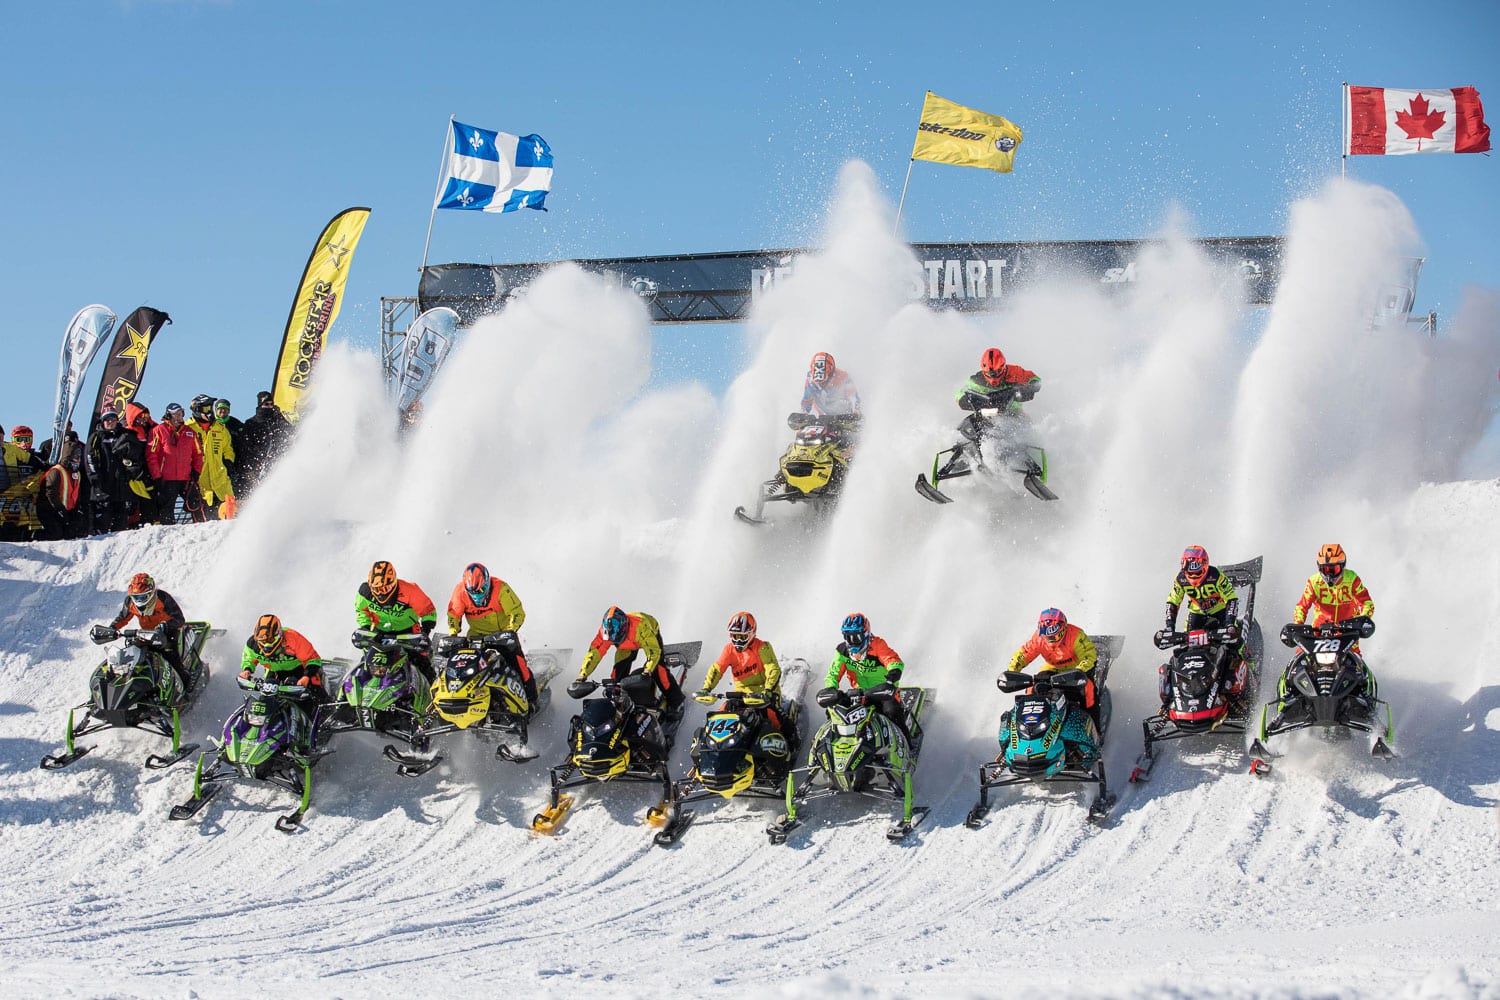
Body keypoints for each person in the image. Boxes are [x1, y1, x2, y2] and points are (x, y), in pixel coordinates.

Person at [1280, 542, 1378, 713]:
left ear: (1343, 566)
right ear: (1320, 568)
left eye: (1334, 569)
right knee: (1299, 659)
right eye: (1326, 570)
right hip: (1320, 631)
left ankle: (1364, 697)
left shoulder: (1352, 578)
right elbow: (1302, 606)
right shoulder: (1314, 582)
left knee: (1356, 661)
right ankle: (1289, 696)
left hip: (1347, 631)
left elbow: (1367, 603)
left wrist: (1361, 621)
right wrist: (1299, 625)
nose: (1330, 574)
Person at [1155, 545, 1251, 715]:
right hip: (1196, 614)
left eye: (1196, 568)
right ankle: (1171, 700)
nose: (1192, 573)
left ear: (1205, 565)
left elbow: (1232, 599)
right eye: (1188, 568)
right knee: (1182, 652)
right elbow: (1173, 602)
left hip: (1220, 613)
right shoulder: (1180, 579)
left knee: (1235, 646)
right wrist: (1169, 628)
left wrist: (1229, 624)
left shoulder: (1215, 575)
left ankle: (1240, 692)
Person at [445, 561, 536, 708]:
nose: (476, 596)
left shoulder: (501, 588)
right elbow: (453, 615)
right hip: (475, 636)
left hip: (502, 636)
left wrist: (510, 631)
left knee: (519, 665)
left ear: (487, 583)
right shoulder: (460, 591)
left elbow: (517, 612)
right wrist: (453, 633)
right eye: (472, 593)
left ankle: (532, 700)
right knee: (462, 666)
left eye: (480, 591)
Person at [575, 606, 685, 721]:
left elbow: (653, 652)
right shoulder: (605, 632)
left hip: (648, 634)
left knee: (659, 670)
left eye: (615, 638)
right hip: (625, 645)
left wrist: (647, 671)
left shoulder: (640, 626)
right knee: (617, 675)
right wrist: (582, 676)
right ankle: (618, 704)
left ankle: (677, 702)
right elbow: (594, 654)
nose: (612, 641)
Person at [823, 612, 915, 747]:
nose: (852, 641)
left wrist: (891, 679)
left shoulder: (878, 645)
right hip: (859, 695)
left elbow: (894, 661)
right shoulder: (842, 651)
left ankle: (907, 747)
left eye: (856, 636)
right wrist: (831, 688)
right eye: (848, 636)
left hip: (883, 692)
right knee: (835, 714)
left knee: (892, 713)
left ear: (866, 634)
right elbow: (833, 673)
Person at [1005, 607, 1102, 734]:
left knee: (1088, 690)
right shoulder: (1039, 638)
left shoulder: (1076, 635)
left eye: (1053, 634)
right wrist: (1012, 671)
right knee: (1032, 688)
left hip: (1076, 670)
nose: (1049, 638)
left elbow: (1089, 655)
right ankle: (1029, 729)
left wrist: (1078, 672)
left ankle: (1095, 730)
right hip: (1053, 669)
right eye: (1046, 635)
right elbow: (1024, 653)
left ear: (1062, 629)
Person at [238, 613, 327, 739]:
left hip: (301, 670)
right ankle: (260, 735)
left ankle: (325, 722)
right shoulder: (252, 644)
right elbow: (248, 659)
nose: (266, 645)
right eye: (262, 641)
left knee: (314, 691)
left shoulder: (293, 638)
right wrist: (247, 670)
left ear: (279, 634)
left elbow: (313, 659)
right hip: (275, 672)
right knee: (265, 701)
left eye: (269, 640)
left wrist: (306, 676)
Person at [696, 611, 786, 734]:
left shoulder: (763, 647)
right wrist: (706, 689)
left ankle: (791, 736)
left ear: (752, 633)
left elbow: (773, 669)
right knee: (722, 713)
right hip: (741, 694)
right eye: (735, 636)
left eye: (742, 637)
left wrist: (768, 690)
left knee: (772, 715)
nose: (738, 641)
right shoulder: (729, 650)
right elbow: (717, 669)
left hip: (765, 693)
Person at [107, 572, 190, 690]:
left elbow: (179, 619)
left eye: (142, 597)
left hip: (168, 632)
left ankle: (186, 687)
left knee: (172, 659)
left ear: (151, 593)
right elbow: (122, 618)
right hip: (145, 634)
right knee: (131, 657)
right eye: (136, 597)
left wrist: (166, 625)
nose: (139, 600)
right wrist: (112, 628)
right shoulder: (130, 603)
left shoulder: (162, 598)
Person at [356, 560, 437, 677]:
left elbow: (428, 611)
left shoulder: (410, 590)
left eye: (385, 589)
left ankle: (432, 688)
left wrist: (425, 631)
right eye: (376, 589)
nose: (381, 593)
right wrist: (365, 627)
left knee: (421, 662)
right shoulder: (364, 592)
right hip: (380, 631)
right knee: (367, 663)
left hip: (408, 631)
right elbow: (361, 611)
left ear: (394, 582)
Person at [147, 403, 204, 524]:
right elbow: (151, 456)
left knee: (196, 504)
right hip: (167, 480)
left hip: (186, 478)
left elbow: (198, 454)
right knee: (167, 511)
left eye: (181, 413)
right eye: (176, 414)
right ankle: (168, 537)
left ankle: (202, 530)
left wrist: (196, 471)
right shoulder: (158, 431)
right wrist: (157, 476)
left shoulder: (190, 432)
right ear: (169, 416)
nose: (180, 417)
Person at [86, 410, 133, 533]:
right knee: (103, 520)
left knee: (121, 521)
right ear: (102, 422)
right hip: (103, 485)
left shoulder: (124, 435)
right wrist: (95, 477)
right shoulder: (96, 437)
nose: (110, 422)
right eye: (107, 420)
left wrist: (130, 472)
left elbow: (133, 456)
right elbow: (89, 458)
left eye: (113, 419)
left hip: (120, 485)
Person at [956, 347, 1040, 415]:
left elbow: (1035, 379)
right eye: (989, 373)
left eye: (997, 372)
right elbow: (960, 393)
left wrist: (1029, 387)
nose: (993, 376)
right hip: (986, 411)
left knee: (1028, 425)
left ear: (1003, 367)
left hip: (1014, 411)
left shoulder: (1015, 372)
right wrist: (963, 400)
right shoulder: (977, 380)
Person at [240, 391, 293, 495]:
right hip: (258, 465)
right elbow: (245, 447)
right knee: (260, 490)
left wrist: (280, 416)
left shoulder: (276, 420)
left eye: (271, 404)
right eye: (266, 404)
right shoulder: (251, 423)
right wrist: (251, 466)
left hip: (277, 462)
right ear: (260, 405)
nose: (269, 407)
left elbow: (290, 431)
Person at [192, 397, 236, 519]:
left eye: (209, 408)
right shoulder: (189, 428)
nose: (208, 411)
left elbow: (228, 448)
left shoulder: (220, 428)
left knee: (230, 515)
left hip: (220, 477)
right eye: (205, 408)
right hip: (201, 480)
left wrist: (228, 462)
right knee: (204, 521)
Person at [0, 426, 46, 541]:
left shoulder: (9, 448)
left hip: (10, 490)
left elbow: (28, 458)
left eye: (1, 438)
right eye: (19, 440)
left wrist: (45, 466)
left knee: (14, 519)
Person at [119, 403, 159, 526]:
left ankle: (154, 524)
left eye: (146, 415)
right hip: (135, 477)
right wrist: (133, 469)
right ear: (134, 417)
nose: (144, 418)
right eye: (141, 415)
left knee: (153, 502)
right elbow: (120, 455)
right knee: (139, 505)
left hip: (152, 472)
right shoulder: (128, 434)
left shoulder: (153, 429)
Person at [38, 436, 85, 540]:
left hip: (66, 509)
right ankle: (33, 537)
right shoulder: (56, 471)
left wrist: (77, 510)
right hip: (49, 508)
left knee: (72, 531)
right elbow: (50, 492)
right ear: (68, 457)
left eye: (79, 458)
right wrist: (60, 510)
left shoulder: (77, 474)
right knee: (56, 534)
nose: (78, 461)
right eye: (76, 458)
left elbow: (77, 494)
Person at [800, 351, 861, 417]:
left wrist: (856, 411)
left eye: (824, 382)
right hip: (822, 417)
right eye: (818, 383)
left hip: (843, 416)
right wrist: (804, 414)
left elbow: (853, 397)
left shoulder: (843, 377)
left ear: (831, 374)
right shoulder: (810, 380)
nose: (821, 385)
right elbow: (807, 400)